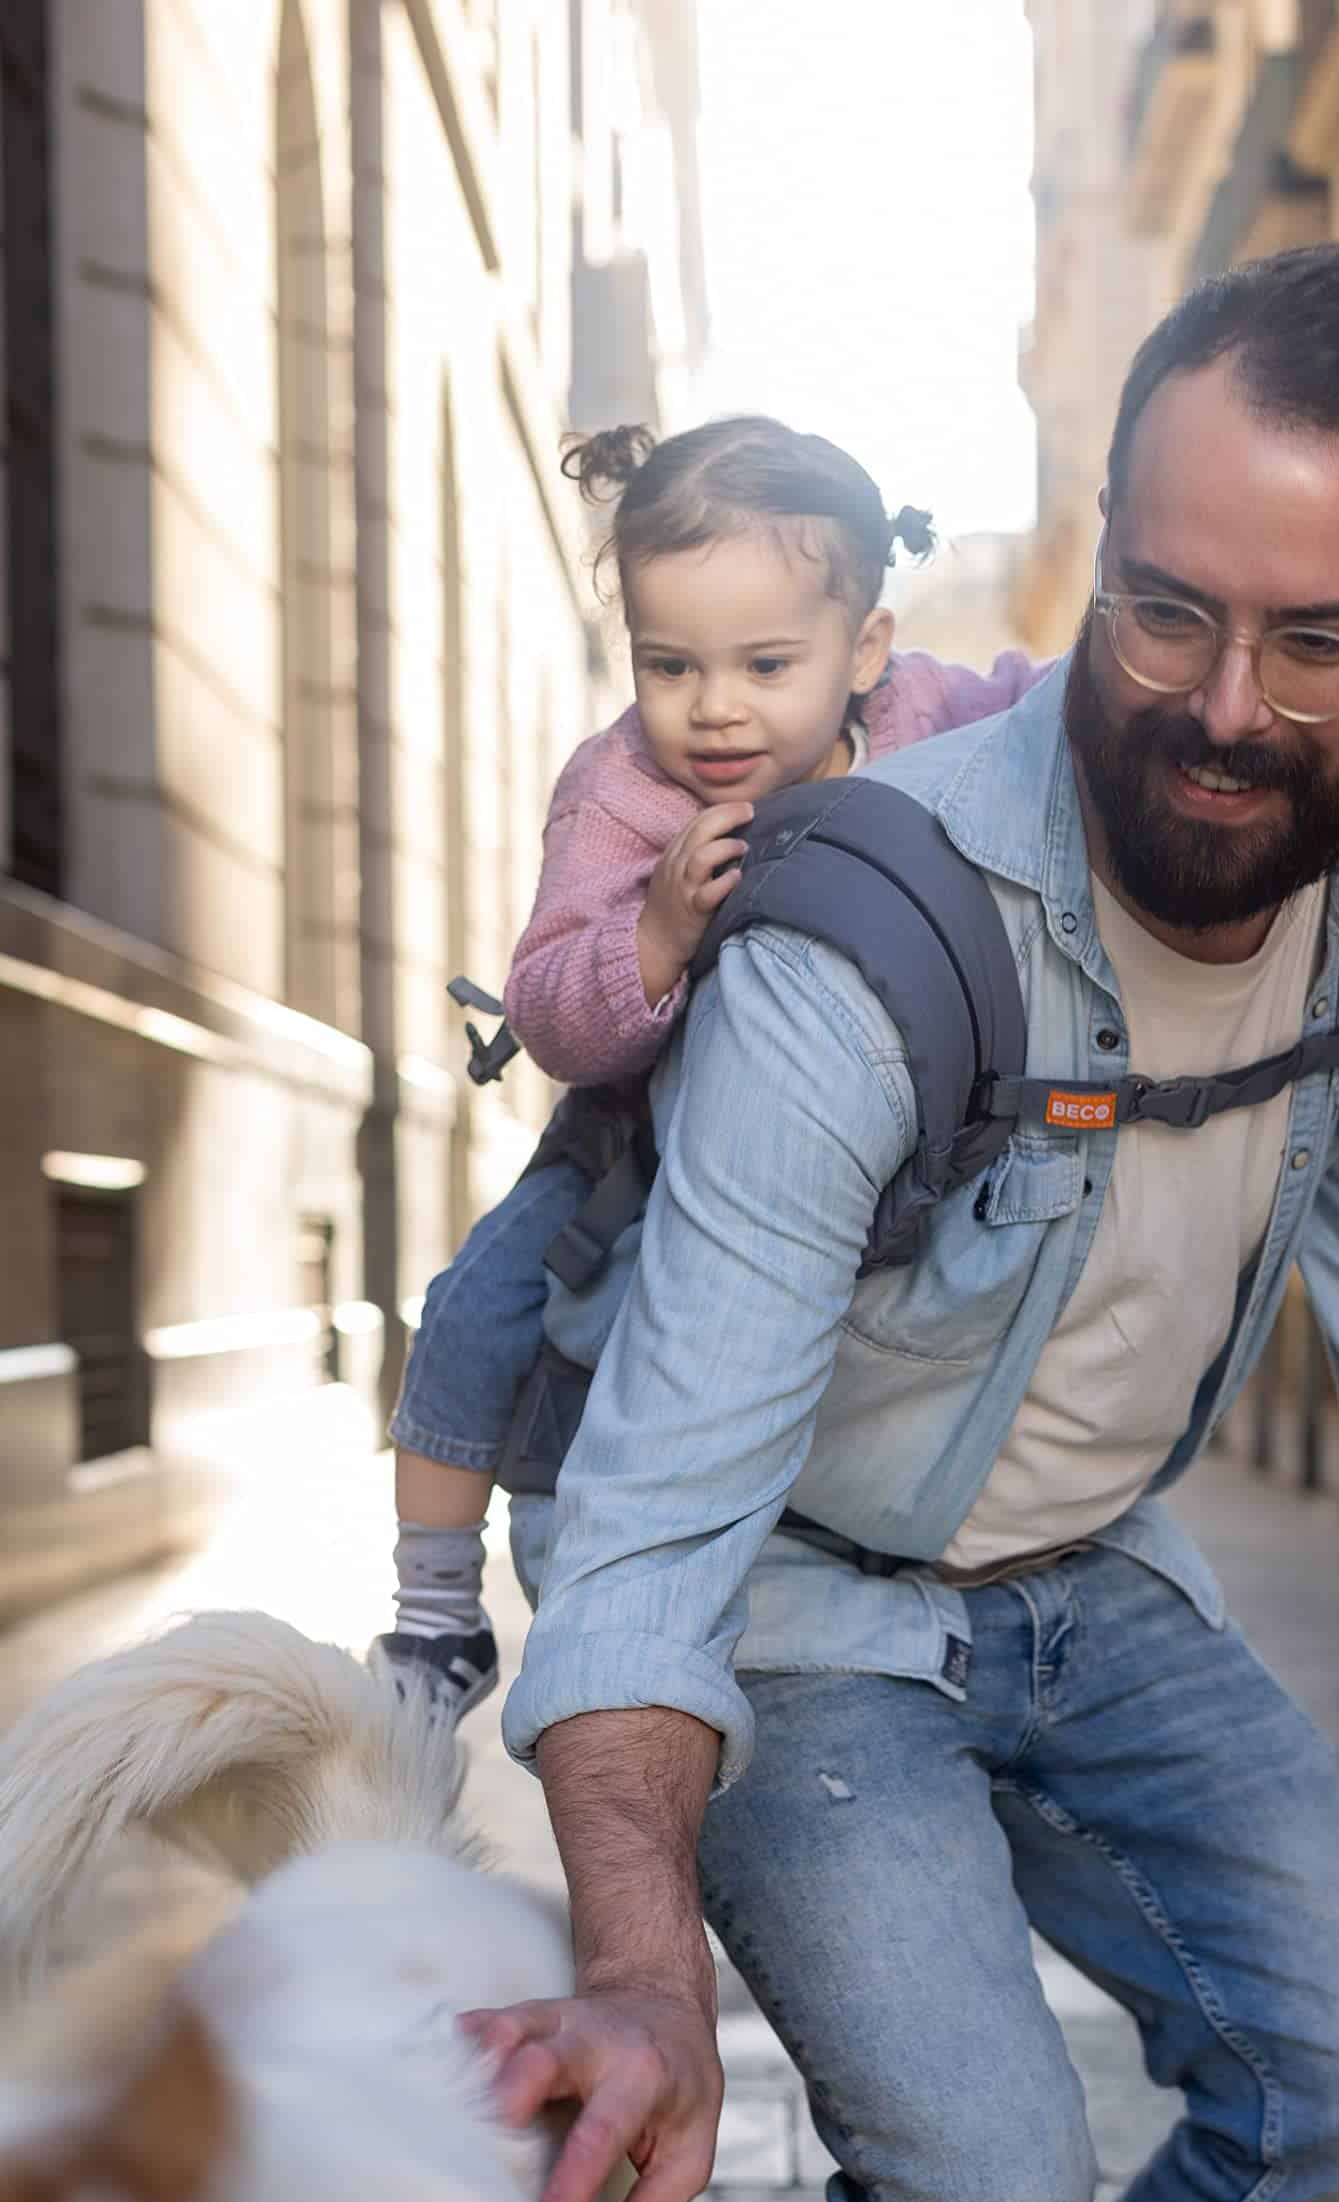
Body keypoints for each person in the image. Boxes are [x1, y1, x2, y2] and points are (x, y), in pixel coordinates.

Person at [465, 247, 1339, 2202]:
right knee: (979, 2192)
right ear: (1092, 535)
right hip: (794, 1599)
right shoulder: (863, 922)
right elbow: (660, 1496)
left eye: (1318, 641)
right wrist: (638, 1979)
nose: (1219, 708)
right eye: (1163, 610)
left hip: (1091, 1584)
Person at [371, 416, 1046, 1717]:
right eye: (669, 664)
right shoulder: (622, 791)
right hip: (631, 1138)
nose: (714, 706)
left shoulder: (924, 714)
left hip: (873, 1121)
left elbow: (1043, 699)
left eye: (766, 664)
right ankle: (436, 1615)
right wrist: (656, 932)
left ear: (865, 650)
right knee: (472, 1313)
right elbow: (554, 1006)